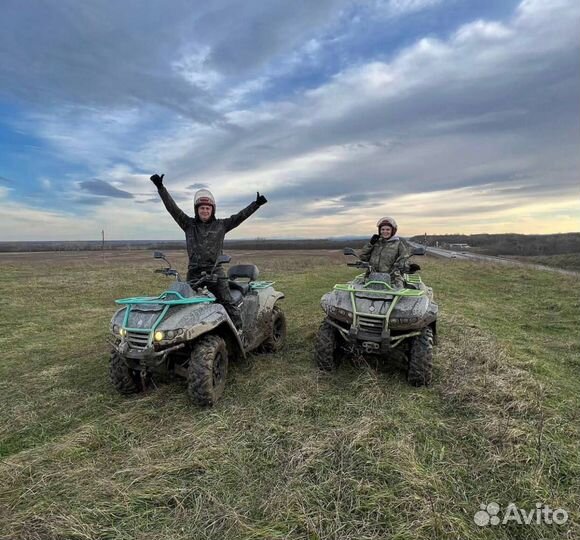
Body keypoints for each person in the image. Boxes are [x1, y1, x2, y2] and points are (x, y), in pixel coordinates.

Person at [150, 173, 267, 331]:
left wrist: (256, 204)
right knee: (182, 305)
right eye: (202, 208)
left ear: (212, 210)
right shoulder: (188, 224)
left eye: (207, 208)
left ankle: (240, 333)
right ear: (197, 210)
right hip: (194, 272)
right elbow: (173, 209)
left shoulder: (221, 225)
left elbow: (239, 217)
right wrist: (160, 188)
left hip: (215, 271)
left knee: (226, 301)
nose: (205, 211)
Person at [359, 216, 409, 288]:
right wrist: (370, 244)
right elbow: (362, 257)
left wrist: (406, 266)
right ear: (380, 231)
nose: (385, 232)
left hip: (392, 280)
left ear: (393, 231)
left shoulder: (398, 244)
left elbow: (404, 259)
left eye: (388, 229)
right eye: (382, 229)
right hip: (372, 278)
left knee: (400, 297)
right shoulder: (376, 243)